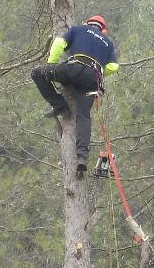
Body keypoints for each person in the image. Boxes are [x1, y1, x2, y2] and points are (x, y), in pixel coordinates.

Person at [31, 15, 119, 176]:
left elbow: (59, 43)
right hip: (92, 80)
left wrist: (52, 65)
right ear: (102, 30)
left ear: (87, 23)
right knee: (84, 116)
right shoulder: (108, 43)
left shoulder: (78, 29)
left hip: (72, 69)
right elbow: (113, 66)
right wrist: (99, 74)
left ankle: (60, 106)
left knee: (37, 73)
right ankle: (82, 158)